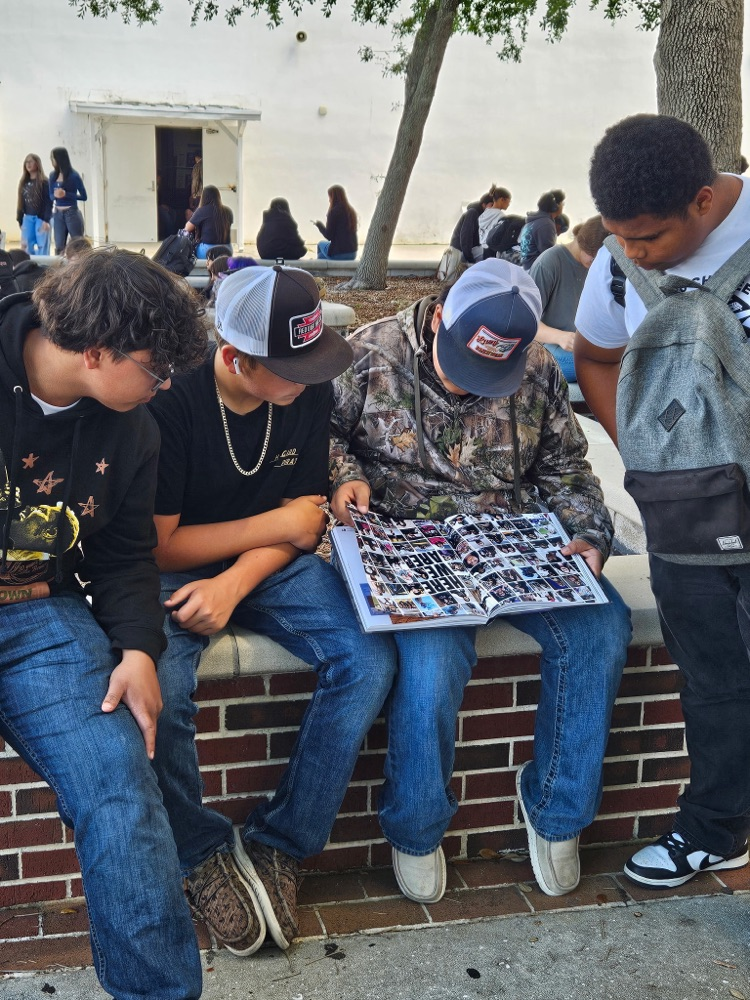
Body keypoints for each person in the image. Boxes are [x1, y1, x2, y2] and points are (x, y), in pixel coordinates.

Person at [330, 258, 632, 899]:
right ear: (440, 316)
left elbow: (567, 467)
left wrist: (589, 535)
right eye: (462, 364)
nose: (472, 386)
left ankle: (556, 810)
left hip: (511, 545)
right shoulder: (366, 354)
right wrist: (340, 479)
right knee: (433, 660)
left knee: (603, 624)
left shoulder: (540, 369)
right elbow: (322, 437)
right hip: (408, 548)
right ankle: (416, 828)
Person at [147, 265, 399, 955]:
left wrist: (239, 579)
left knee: (368, 656)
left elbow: (304, 524)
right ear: (234, 358)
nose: (310, 380)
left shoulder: (306, 390)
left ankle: (281, 841)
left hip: (271, 565)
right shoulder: (171, 398)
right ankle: (198, 853)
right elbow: (163, 547)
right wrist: (281, 528)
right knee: (161, 688)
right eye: (293, 368)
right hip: (179, 566)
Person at [0, 248, 209, 999]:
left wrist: (137, 649)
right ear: (95, 351)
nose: (166, 385)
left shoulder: (133, 428)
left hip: (41, 618)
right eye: (156, 370)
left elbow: (124, 555)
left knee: (122, 778)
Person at [574, 113, 750, 889]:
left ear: (705, 202)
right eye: (618, 235)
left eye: (645, 237)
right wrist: (641, 451)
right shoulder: (614, 262)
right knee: (710, 677)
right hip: (688, 513)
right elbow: (595, 353)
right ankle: (715, 828)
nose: (630, 252)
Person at [529, 214, 608, 383]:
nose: (595, 265)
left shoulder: (598, 268)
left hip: (584, 344)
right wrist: (560, 337)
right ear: (582, 243)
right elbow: (526, 323)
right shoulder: (549, 263)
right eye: (593, 259)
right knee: (589, 365)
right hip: (550, 346)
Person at [49, 147, 87, 256]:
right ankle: (59, 270)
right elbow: (50, 196)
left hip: (71, 212)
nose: (52, 161)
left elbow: (84, 196)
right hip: (57, 214)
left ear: (60, 159)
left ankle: (81, 267)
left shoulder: (74, 176)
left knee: (78, 244)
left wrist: (67, 194)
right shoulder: (52, 176)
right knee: (59, 245)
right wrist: (55, 196)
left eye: (53, 158)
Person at [519, 190, 566, 270]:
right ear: (556, 206)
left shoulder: (532, 221)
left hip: (527, 267)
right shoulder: (546, 224)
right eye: (562, 203)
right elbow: (548, 254)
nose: (563, 206)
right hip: (536, 270)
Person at [17, 154, 52, 257]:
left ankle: (42, 268)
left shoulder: (44, 182)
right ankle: (28, 268)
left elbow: (48, 202)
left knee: (42, 245)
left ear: (37, 164)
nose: (28, 164)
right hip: (27, 218)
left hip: (41, 219)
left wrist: (46, 220)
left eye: (31, 161)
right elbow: (20, 202)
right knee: (26, 245)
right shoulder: (23, 182)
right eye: (26, 162)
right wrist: (20, 219)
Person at [185, 184, 233, 259]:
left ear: (204, 198)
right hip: (227, 250)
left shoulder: (202, 210)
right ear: (218, 197)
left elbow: (187, 228)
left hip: (208, 251)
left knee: (191, 249)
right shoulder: (228, 211)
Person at [314, 185, 357, 260]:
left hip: (339, 253)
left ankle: (321, 270)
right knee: (325, 249)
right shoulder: (351, 211)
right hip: (352, 253)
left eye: (329, 197)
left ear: (333, 197)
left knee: (320, 244)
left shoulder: (334, 212)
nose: (329, 200)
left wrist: (319, 226)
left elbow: (328, 236)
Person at [449, 192, 493, 264]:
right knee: (489, 253)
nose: (493, 208)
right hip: (460, 252)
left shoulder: (483, 216)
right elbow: (466, 237)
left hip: (469, 250)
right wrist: (470, 259)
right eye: (491, 205)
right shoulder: (472, 213)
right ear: (484, 205)